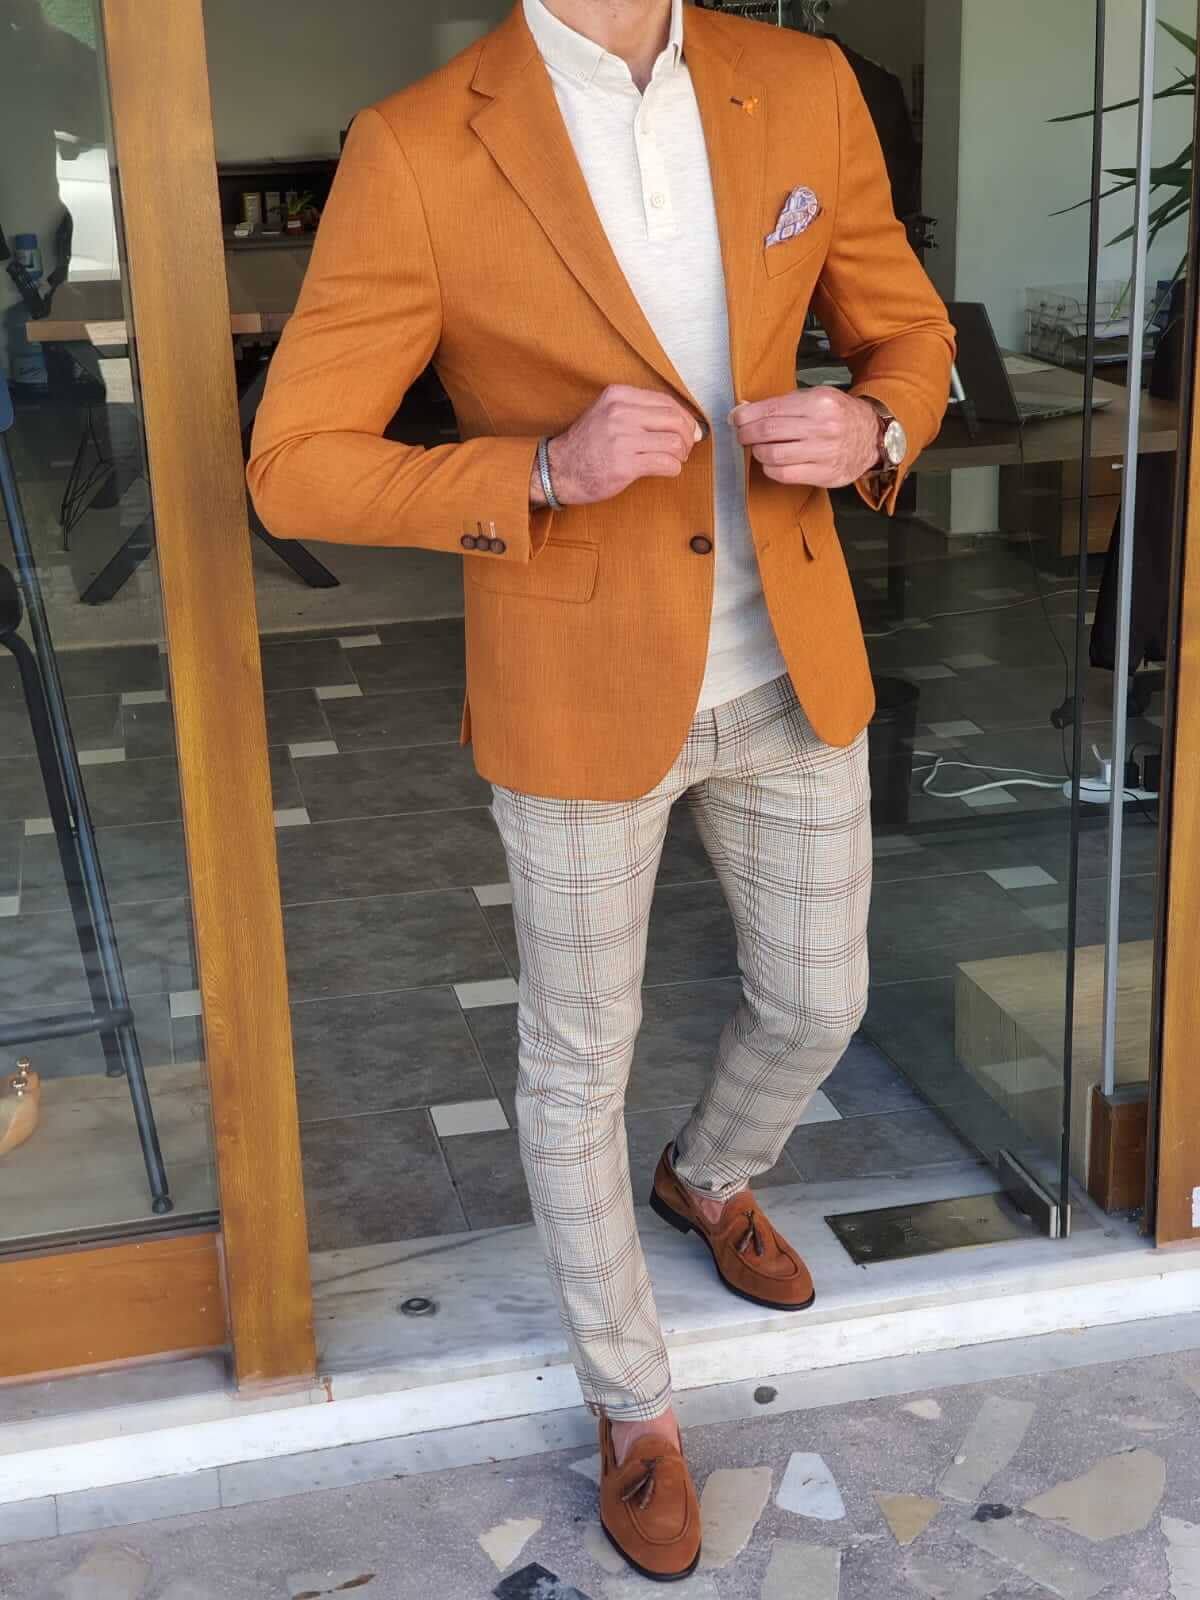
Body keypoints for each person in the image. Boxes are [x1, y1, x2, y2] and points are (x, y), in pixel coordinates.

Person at [248, 0, 955, 1579]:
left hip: (788, 662)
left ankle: (707, 1176)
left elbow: (909, 332)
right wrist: (541, 469)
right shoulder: (417, 145)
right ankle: (633, 1404)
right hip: (574, 681)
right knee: (577, 1064)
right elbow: (293, 460)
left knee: (821, 999)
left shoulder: (802, 82)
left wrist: (875, 420)